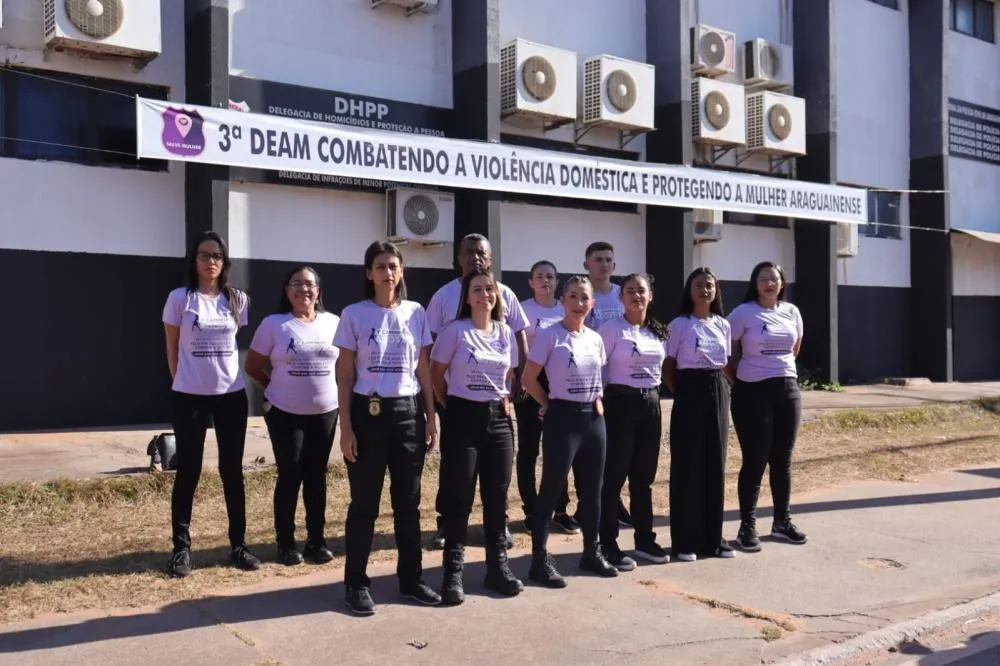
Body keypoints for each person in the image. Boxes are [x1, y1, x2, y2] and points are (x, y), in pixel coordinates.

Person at [333, 241, 440, 615]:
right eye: (380, 266)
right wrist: (346, 428)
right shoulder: (353, 314)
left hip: (408, 413)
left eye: (393, 266)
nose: (388, 272)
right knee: (365, 504)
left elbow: (423, 369)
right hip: (369, 414)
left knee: (408, 503)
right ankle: (356, 584)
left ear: (402, 271)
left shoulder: (416, 312)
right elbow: (345, 375)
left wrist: (431, 416)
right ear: (369, 273)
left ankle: (411, 580)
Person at [161, 230, 260, 578]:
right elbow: (172, 346)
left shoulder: (237, 299)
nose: (211, 262)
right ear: (194, 260)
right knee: (188, 471)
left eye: (217, 256)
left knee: (232, 472)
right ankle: (181, 550)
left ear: (224, 261)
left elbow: (233, 344)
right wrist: (181, 380)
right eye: (204, 255)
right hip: (189, 396)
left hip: (230, 396)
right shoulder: (179, 299)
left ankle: (238, 545)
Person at [425, 233, 530, 550]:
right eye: (469, 252)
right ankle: (448, 524)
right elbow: (431, 345)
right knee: (456, 468)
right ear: (458, 258)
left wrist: (520, 380)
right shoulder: (443, 296)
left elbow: (519, 336)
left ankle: (498, 525)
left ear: (491, 259)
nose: (476, 258)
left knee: (497, 471)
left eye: (482, 253)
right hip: (456, 399)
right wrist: (443, 398)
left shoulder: (504, 293)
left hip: (496, 402)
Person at [430, 268, 524, 604]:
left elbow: (509, 375)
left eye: (489, 289)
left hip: (499, 420)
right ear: (467, 298)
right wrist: (452, 407)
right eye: (477, 289)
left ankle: (497, 569)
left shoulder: (506, 332)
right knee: (459, 497)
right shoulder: (454, 331)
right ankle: (452, 574)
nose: (485, 294)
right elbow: (436, 376)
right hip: (462, 418)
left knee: (497, 497)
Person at [521, 276, 618, 588]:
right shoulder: (550, 336)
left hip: (593, 420)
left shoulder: (595, 339)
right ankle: (539, 560)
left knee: (593, 490)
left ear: (593, 303)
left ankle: (591, 552)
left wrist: (598, 400)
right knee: (551, 488)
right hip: (562, 418)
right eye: (573, 296)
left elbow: (601, 376)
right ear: (562, 300)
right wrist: (548, 403)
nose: (578, 303)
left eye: (584, 298)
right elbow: (528, 379)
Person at [244, 266, 340, 566]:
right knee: (290, 475)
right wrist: (276, 389)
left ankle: (316, 540)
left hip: (325, 413)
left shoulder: (334, 323)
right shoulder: (274, 325)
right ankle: (285, 543)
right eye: (296, 283)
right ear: (287, 291)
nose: (303, 289)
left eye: (309, 284)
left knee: (317, 476)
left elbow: (345, 366)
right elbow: (252, 366)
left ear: (318, 291)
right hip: (285, 413)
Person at [727, 261, 807, 552]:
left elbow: (795, 347)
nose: (769, 283)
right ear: (755, 283)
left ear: (782, 283)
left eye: (774, 278)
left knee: (782, 459)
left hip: (787, 389)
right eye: (763, 278)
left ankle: (782, 522)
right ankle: (747, 526)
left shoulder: (792, 312)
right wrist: (740, 380)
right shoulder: (743, 313)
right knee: (755, 459)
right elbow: (725, 350)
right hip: (752, 391)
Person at [598, 273, 671, 569]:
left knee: (643, 478)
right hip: (619, 403)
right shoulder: (610, 330)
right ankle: (607, 544)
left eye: (641, 291)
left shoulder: (658, 331)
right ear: (621, 297)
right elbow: (599, 369)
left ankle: (644, 540)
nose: (636, 295)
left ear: (650, 296)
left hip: (651, 404)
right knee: (613, 478)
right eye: (630, 290)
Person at [663, 267, 735, 562]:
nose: (704, 290)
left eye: (709, 285)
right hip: (689, 391)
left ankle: (713, 539)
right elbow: (668, 369)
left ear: (716, 291)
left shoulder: (723, 324)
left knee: (715, 462)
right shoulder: (679, 325)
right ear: (689, 290)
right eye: (699, 285)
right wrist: (685, 392)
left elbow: (726, 363)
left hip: (717, 389)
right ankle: (685, 541)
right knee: (688, 464)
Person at [515, 260, 581, 535]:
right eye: (539, 276)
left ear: (557, 282)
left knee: (558, 449)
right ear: (531, 282)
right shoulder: (522, 310)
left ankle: (560, 509)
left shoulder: (564, 309)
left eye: (550, 276)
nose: (545, 281)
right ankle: (532, 510)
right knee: (529, 449)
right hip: (531, 381)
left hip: (561, 382)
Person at [582, 241, 632, 529]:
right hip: (591, 384)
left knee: (618, 450)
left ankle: (614, 502)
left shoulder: (622, 295)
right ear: (586, 264)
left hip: (621, 383)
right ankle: (588, 506)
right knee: (591, 453)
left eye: (608, 260)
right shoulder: (582, 295)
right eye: (598, 259)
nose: (604, 264)